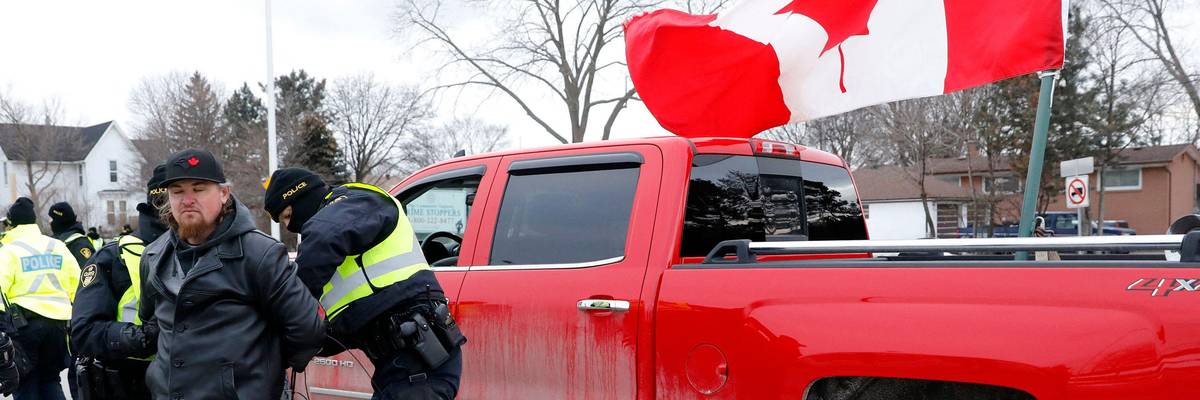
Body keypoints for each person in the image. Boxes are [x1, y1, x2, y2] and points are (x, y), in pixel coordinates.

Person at [265, 167, 465, 399]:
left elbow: (324, 239)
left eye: (288, 216)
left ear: (302, 197)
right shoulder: (339, 230)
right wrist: (301, 344)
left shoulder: (357, 201)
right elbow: (351, 321)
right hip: (399, 367)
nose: (290, 227)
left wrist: (285, 312)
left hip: (420, 361)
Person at [139, 149, 325, 399]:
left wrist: (263, 369)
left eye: (199, 189)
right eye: (178, 191)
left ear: (224, 194)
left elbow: (307, 331)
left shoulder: (260, 254)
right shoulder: (153, 257)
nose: (187, 199)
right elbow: (152, 324)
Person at [70, 164, 170, 400]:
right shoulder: (113, 257)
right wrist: (142, 337)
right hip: (133, 382)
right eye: (177, 193)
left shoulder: (212, 251)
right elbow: (85, 331)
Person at [0, 197, 81, 400]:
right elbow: (78, 286)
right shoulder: (57, 246)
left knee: (25, 382)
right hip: (58, 328)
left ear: (11, 224)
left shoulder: (8, 251)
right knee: (50, 380)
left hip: (23, 328)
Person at [48, 202, 97, 275]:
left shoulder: (80, 244)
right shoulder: (55, 242)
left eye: (52, 219)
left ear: (59, 221)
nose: (49, 222)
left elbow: (89, 276)